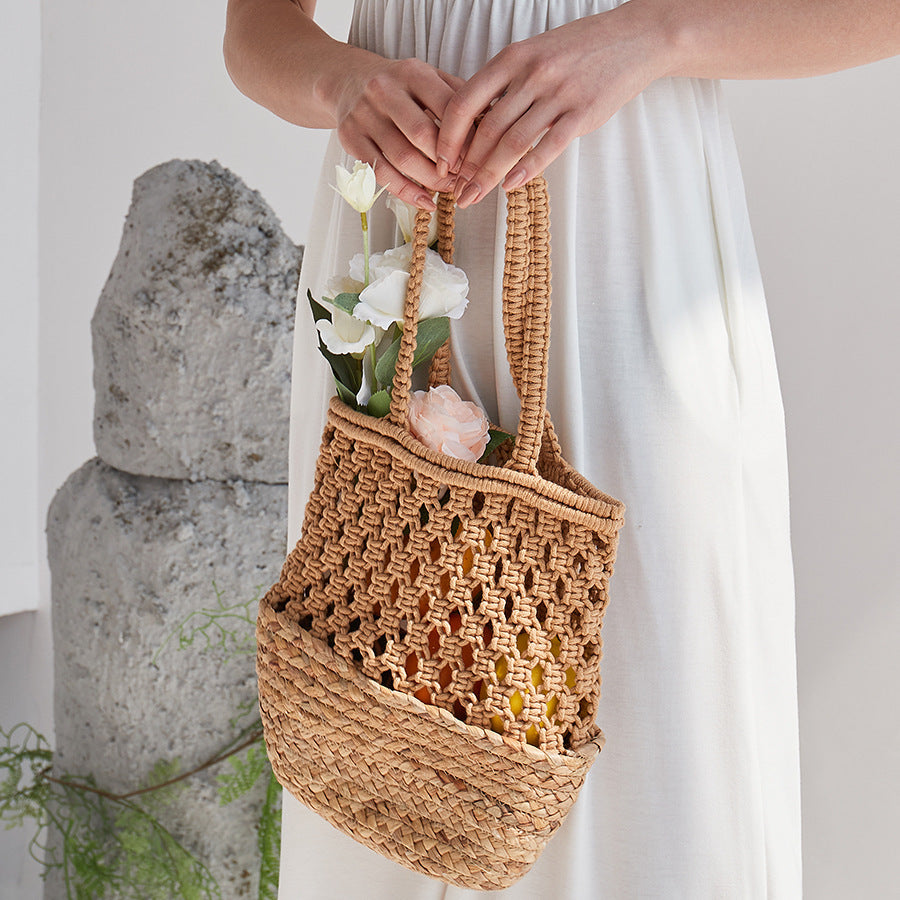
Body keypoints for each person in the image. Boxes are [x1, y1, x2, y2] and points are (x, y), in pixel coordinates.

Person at [224, 2, 900, 897]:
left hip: (627, 236)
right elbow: (256, 31)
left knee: (659, 713)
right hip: (400, 240)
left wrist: (659, 35)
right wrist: (340, 79)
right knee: (385, 693)